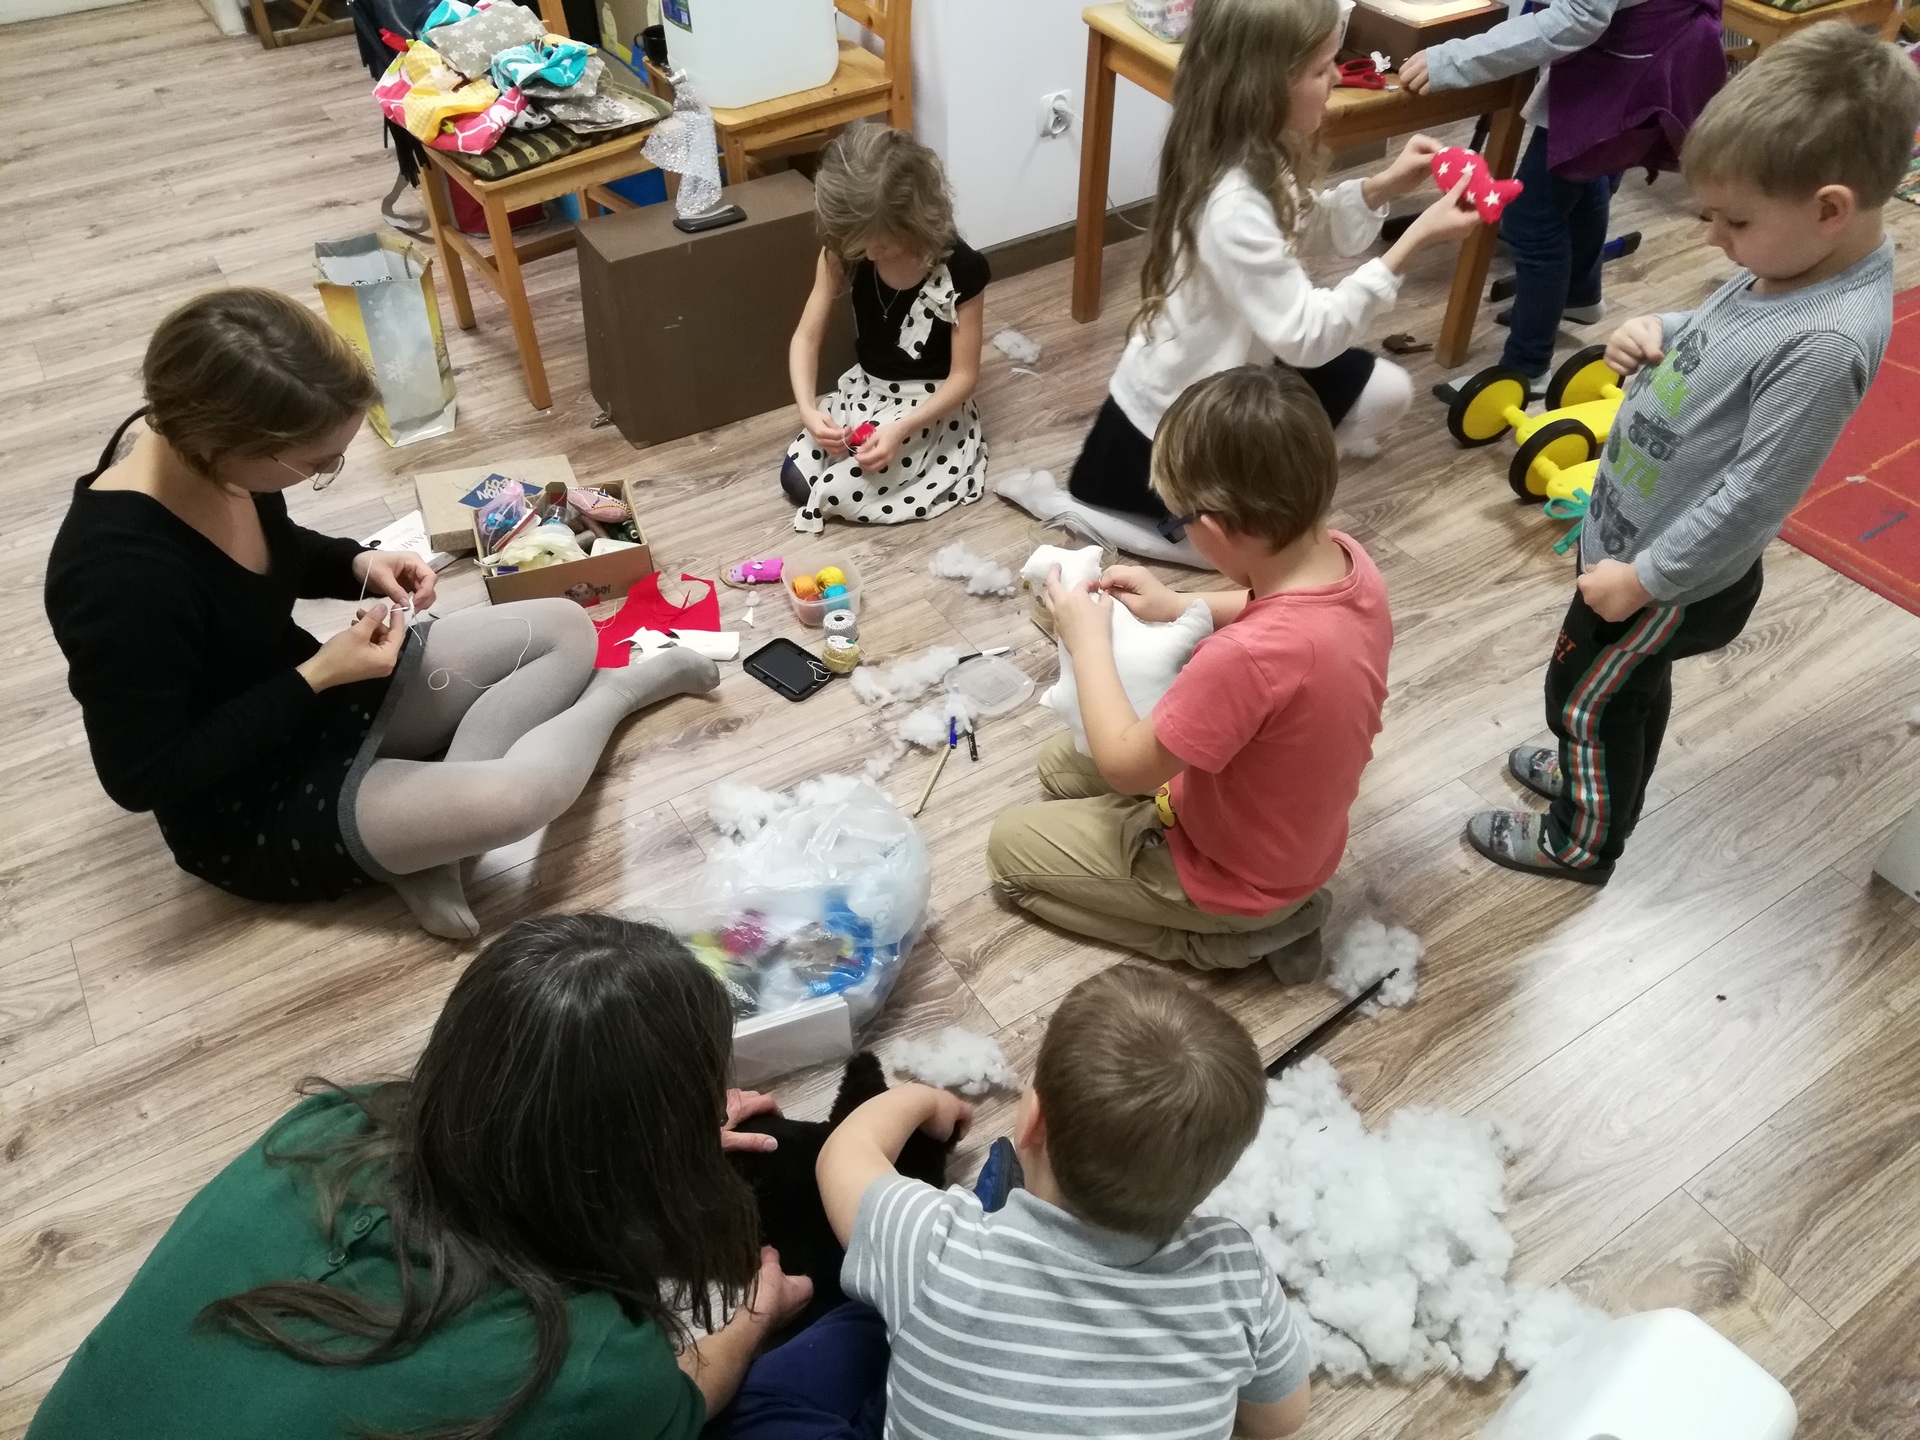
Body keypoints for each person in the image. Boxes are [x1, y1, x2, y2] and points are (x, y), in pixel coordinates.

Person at [44, 288, 717, 941]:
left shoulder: (205, 455)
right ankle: (617, 696)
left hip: (315, 702)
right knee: (518, 799)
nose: (328, 470)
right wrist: (315, 676)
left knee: (563, 628)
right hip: (247, 798)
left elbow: (266, 554)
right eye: (318, 464)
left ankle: (427, 846)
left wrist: (355, 563)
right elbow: (142, 776)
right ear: (229, 442)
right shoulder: (114, 579)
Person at [25, 914, 833, 1440]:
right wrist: (752, 1320)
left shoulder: (328, 1127)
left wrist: (653, 1133)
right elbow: (681, 1404)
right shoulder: (589, 1365)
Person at [1467, 24, 1920, 882]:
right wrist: (1663, 329)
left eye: (1734, 221)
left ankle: (1581, 841)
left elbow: (1755, 496)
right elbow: (1728, 328)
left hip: (1664, 580)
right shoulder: (1797, 264)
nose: (1714, 239)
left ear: (1830, 209)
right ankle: (1594, 776)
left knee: (1584, 700)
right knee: (1622, 694)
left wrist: (1646, 579)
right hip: (1639, 553)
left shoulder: (1827, 342)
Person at [996, 0, 1483, 565]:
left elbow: (1299, 226)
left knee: (1389, 393)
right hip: (1182, 411)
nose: (1335, 79)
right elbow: (1307, 337)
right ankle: (1068, 509)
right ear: (1265, 87)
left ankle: (1270, 479)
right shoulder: (1232, 200)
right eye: (1321, 69)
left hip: (1250, 363)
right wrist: (1413, 241)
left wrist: (1383, 186)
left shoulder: (1258, 153)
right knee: (1234, 558)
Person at [987, 365, 1392, 976]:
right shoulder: (1347, 560)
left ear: (1214, 528)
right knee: (1058, 765)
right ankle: (1261, 908)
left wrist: (1086, 640)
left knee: (1008, 852)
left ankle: (1224, 939)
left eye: (1177, 522)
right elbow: (1266, 604)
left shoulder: (1244, 659)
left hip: (1233, 876)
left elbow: (1125, 767)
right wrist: (1179, 605)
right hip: (1289, 840)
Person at [816, 963, 1313, 1440]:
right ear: (1215, 1178)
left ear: (1033, 1121)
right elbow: (1280, 1420)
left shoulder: (936, 1248)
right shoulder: (1234, 1274)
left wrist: (925, 1099)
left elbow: (844, 1154)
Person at [1402, 0, 1727, 397]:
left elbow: (1580, 16)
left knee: (1530, 219)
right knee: (1579, 168)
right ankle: (1580, 294)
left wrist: (1454, 58)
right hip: (1627, 52)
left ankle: (1527, 369)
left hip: (1631, 62)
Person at [782, 125, 989, 532]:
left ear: (915, 220)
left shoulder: (962, 268)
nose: (870, 255)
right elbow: (806, 338)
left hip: (926, 405)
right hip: (867, 389)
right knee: (796, 479)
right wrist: (808, 409)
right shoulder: (845, 250)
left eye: (882, 244)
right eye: (861, 245)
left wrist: (901, 429)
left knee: (836, 489)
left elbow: (964, 377)